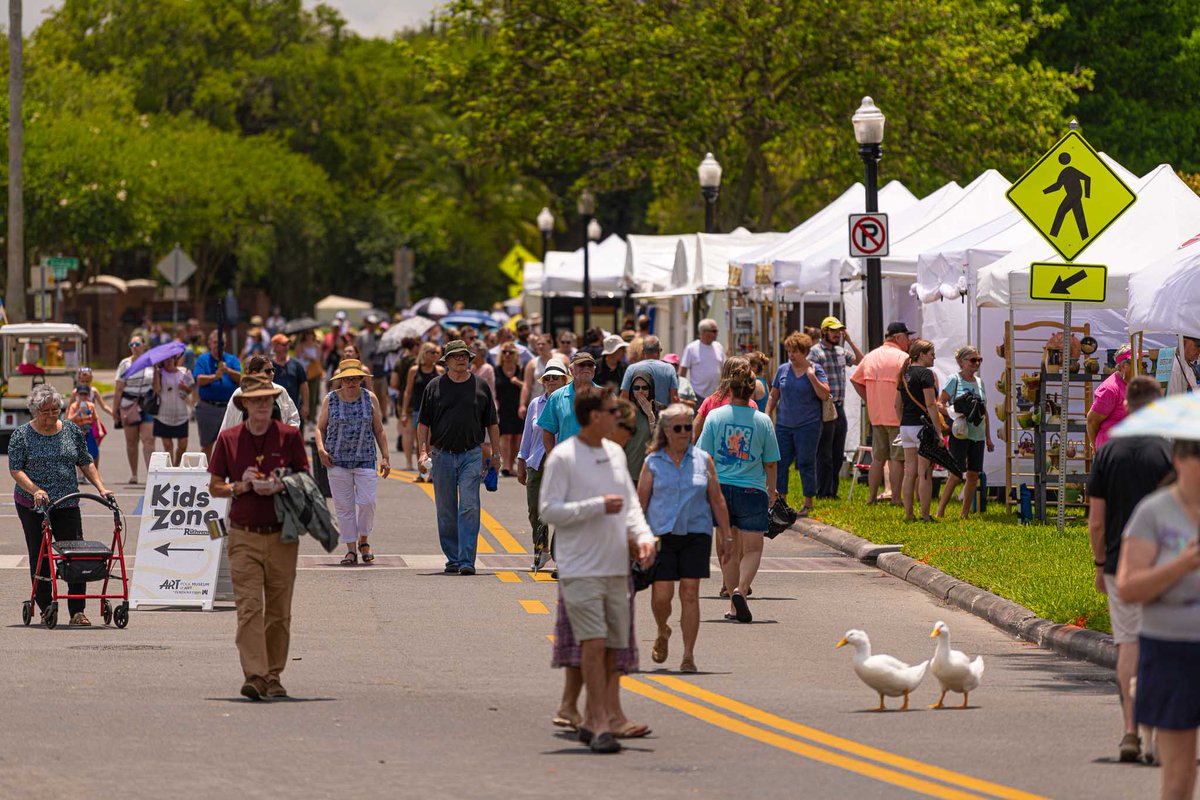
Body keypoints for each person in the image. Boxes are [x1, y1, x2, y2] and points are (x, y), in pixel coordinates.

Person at [539, 386, 656, 753]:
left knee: (611, 647)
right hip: (580, 567)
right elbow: (549, 510)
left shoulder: (615, 455)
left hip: (615, 567)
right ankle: (602, 723)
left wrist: (643, 536)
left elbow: (630, 505)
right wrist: (595, 506)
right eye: (610, 412)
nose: (617, 417)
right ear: (594, 417)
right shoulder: (564, 457)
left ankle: (593, 720)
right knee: (593, 641)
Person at [207, 373, 310, 701]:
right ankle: (256, 675)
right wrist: (242, 485)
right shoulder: (229, 440)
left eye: (268, 399)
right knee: (250, 608)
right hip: (243, 535)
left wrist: (281, 484)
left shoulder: (289, 437)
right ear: (245, 404)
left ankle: (274, 674)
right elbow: (215, 487)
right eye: (257, 400)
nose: (264, 405)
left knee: (279, 612)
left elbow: (306, 480)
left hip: (282, 536)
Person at [1088, 376, 1171, 763]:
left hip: (1120, 564)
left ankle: (1129, 731)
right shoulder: (1169, 453)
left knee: (1128, 645)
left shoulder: (1106, 454)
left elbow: (1096, 523)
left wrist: (1100, 562)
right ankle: (1156, 738)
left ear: (1128, 406)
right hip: (1165, 564)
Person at [1116, 437, 1200, 800]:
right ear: (1180, 459)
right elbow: (1129, 587)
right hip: (1171, 653)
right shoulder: (1154, 512)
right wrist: (1182, 564)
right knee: (1180, 780)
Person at [10, 385, 115, 627]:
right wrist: (36, 489)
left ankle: (77, 610)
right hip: (33, 504)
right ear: (35, 411)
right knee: (41, 554)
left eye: (55, 410)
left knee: (76, 553)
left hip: (67, 501)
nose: (51, 415)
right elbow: (16, 469)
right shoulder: (22, 435)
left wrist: (101, 487)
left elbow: (85, 462)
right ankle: (47, 606)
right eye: (45, 411)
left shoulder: (71, 431)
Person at [638, 403, 731, 673]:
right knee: (662, 596)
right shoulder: (652, 462)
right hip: (662, 534)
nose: (683, 433)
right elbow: (640, 502)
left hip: (696, 533)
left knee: (690, 593)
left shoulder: (703, 460)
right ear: (666, 431)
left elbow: (717, 499)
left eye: (688, 427)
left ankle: (688, 655)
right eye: (678, 428)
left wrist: (726, 535)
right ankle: (662, 628)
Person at [697, 358, 779, 624]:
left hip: (721, 488)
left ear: (730, 389)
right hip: (753, 490)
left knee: (726, 548)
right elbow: (770, 461)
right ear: (752, 391)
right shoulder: (763, 420)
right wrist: (772, 489)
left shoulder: (715, 416)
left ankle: (734, 603)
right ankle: (740, 591)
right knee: (753, 548)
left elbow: (703, 455)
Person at [417, 340, 501, 575]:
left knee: (469, 507)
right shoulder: (434, 386)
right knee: (446, 510)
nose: (461, 359)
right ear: (446, 361)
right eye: (456, 356)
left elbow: (492, 424)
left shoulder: (481, 386)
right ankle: (453, 558)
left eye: (465, 355)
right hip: (442, 455)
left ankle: (466, 560)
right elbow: (423, 424)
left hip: (471, 455)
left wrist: (496, 454)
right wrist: (423, 452)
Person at [316, 359, 390, 566]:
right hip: (337, 460)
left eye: (355, 379)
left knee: (367, 502)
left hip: (365, 457)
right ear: (340, 380)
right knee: (344, 507)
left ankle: (364, 541)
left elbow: (379, 429)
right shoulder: (330, 399)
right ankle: (351, 549)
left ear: (360, 379)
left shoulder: (369, 398)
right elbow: (320, 428)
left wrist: (385, 457)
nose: (351, 383)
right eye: (346, 379)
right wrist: (321, 449)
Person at [766, 332, 830, 518]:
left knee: (805, 462)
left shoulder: (815, 369)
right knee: (781, 462)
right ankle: (781, 501)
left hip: (808, 424)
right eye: (789, 351)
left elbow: (825, 394)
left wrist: (811, 378)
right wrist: (766, 413)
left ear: (805, 351)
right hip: (784, 424)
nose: (791, 355)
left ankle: (808, 501)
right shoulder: (783, 370)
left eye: (795, 351)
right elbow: (773, 394)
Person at [850, 321, 913, 505]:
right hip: (897, 415)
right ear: (898, 337)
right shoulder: (903, 358)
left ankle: (871, 498)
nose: (908, 341)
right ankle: (895, 498)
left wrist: (869, 399)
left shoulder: (870, 356)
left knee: (878, 458)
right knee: (896, 459)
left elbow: (855, 380)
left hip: (876, 415)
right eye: (907, 337)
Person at [517, 362, 570, 569]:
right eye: (547, 378)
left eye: (555, 378)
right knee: (535, 509)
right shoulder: (535, 404)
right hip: (537, 461)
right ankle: (541, 549)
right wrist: (521, 462)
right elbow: (527, 436)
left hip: (562, 461)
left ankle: (559, 552)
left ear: (564, 380)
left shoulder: (568, 402)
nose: (550, 382)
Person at [936, 346, 994, 519]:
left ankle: (964, 514)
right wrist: (953, 414)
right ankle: (940, 512)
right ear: (962, 362)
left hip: (977, 433)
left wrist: (988, 438)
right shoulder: (954, 380)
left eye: (979, 360)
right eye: (973, 360)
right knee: (955, 473)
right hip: (960, 432)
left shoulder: (979, 382)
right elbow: (940, 403)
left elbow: (984, 411)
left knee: (973, 474)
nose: (976, 363)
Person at [808, 317, 863, 498]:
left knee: (837, 452)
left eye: (839, 330)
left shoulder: (841, 351)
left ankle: (833, 490)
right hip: (824, 406)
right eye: (833, 330)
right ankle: (822, 491)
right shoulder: (815, 352)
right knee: (824, 453)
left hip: (839, 406)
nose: (837, 333)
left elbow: (862, 362)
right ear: (824, 332)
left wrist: (849, 341)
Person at [895, 339, 944, 522]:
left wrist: (903, 424)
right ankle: (925, 514)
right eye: (931, 354)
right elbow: (931, 404)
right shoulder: (926, 374)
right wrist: (938, 432)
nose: (934, 357)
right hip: (922, 427)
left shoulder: (904, 374)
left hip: (906, 427)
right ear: (921, 354)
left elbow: (896, 405)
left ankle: (908, 514)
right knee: (924, 472)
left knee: (910, 472)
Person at [194, 330, 243, 460]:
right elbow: (199, 379)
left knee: (230, 442)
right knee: (207, 443)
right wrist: (215, 377)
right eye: (215, 342)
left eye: (221, 343)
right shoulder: (203, 359)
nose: (218, 345)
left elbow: (241, 379)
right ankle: (207, 473)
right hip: (208, 407)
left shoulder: (232, 360)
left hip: (229, 407)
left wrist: (228, 370)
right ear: (210, 343)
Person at [220, 355, 301, 433]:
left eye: (273, 370)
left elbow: (293, 417)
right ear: (255, 373)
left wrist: (287, 435)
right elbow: (228, 424)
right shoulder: (240, 393)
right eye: (268, 371)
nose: (272, 373)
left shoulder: (280, 391)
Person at [114, 334, 155, 483]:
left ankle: (152, 474)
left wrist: (157, 372)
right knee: (131, 441)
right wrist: (115, 410)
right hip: (128, 404)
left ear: (144, 345)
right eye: (131, 344)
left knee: (149, 440)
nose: (134, 347)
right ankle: (134, 474)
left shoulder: (151, 363)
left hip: (147, 404)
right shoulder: (125, 364)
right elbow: (118, 389)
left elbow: (157, 387)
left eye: (137, 344)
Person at [540, 352, 600, 452]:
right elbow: (548, 431)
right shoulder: (556, 397)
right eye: (581, 364)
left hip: (598, 460)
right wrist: (552, 457)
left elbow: (616, 429)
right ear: (571, 370)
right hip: (567, 462)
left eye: (590, 365)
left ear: (594, 369)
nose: (586, 367)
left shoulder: (606, 396)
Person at [402, 343, 444, 481]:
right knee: (419, 442)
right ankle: (422, 472)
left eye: (437, 352)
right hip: (417, 410)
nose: (435, 355)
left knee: (431, 443)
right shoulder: (414, 370)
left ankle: (432, 474)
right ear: (424, 353)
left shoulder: (439, 370)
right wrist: (403, 411)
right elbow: (408, 391)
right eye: (432, 352)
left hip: (435, 411)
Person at [1088, 345, 1134, 453]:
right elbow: (1092, 421)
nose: (1140, 367)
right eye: (1135, 363)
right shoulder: (1110, 389)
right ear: (1123, 366)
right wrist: (1096, 447)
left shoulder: (1132, 384)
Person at [152, 353, 195, 466]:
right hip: (163, 416)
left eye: (171, 358)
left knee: (183, 445)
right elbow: (156, 389)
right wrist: (155, 371)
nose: (169, 360)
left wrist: (184, 388)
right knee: (167, 445)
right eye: (166, 359)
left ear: (175, 359)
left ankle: (176, 466)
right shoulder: (160, 373)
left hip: (181, 415)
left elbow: (191, 389)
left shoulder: (184, 372)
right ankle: (170, 470)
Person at [623, 372, 662, 481]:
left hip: (652, 473)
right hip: (628, 473)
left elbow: (659, 441)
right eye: (636, 388)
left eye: (645, 388)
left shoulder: (661, 410)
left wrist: (650, 415)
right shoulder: (625, 411)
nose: (640, 391)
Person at [620, 336, 679, 407]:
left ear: (643, 351)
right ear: (659, 351)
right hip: (662, 416)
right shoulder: (669, 368)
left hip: (638, 417)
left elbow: (624, 398)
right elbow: (674, 399)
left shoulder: (631, 368)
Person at [390, 337, 421, 469]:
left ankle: (408, 463)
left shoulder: (399, 362)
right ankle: (421, 462)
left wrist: (402, 389)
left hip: (402, 398)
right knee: (418, 432)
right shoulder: (417, 362)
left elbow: (393, 383)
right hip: (416, 398)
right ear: (413, 346)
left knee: (406, 431)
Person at [495, 342, 526, 475]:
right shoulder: (496, 369)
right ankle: (506, 465)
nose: (507, 354)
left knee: (517, 437)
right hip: (502, 407)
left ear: (516, 355)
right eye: (504, 352)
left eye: (511, 352)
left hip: (518, 406)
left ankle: (512, 464)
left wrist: (518, 382)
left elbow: (528, 386)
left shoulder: (521, 370)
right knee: (506, 435)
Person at [680, 319, 726, 399]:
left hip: (717, 395)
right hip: (697, 395)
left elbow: (724, 369)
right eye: (714, 331)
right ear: (704, 332)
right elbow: (683, 371)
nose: (717, 333)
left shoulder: (719, 347)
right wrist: (682, 392)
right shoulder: (691, 348)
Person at [270, 334, 310, 427]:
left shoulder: (296, 364)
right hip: (274, 410)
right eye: (283, 345)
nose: (286, 348)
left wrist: (305, 405)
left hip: (294, 410)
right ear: (275, 347)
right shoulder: (269, 366)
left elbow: (304, 385)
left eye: (287, 345)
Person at [66, 384, 103, 465]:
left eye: (85, 394)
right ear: (77, 395)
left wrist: (100, 430)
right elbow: (69, 419)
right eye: (81, 394)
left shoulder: (91, 406)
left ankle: (94, 471)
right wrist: (78, 412)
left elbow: (96, 418)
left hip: (88, 431)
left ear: (88, 395)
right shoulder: (74, 406)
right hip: (78, 432)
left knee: (93, 451)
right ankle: (81, 475)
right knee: (79, 453)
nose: (83, 396)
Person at [521, 334, 555, 415]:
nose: (540, 346)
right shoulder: (532, 363)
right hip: (538, 402)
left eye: (543, 344)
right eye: (538, 344)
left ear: (550, 344)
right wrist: (522, 405)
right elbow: (526, 385)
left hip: (556, 401)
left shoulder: (561, 360)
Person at [295, 330, 323, 426]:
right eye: (306, 334)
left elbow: (318, 360)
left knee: (313, 396)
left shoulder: (316, 346)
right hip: (302, 372)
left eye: (310, 334)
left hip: (313, 373)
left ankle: (311, 418)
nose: (308, 336)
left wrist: (309, 357)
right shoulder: (301, 344)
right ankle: (302, 416)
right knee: (302, 395)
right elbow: (297, 356)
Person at [470, 341, 497, 406]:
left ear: (481, 353)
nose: (470, 356)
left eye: (473, 353)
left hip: (487, 405)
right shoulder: (473, 367)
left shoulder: (487, 368)